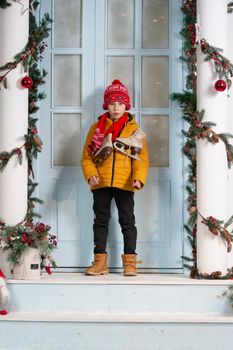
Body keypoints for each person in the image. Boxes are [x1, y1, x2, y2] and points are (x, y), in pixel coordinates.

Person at [82, 79, 149, 276]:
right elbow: (87, 156)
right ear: (106, 105)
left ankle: (130, 263)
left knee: (127, 221)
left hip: (125, 182)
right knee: (100, 221)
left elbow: (141, 159)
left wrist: (138, 178)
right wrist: (92, 174)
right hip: (101, 181)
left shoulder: (133, 130)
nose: (116, 107)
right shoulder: (97, 128)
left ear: (126, 105)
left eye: (120, 103)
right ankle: (99, 262)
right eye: (112, 103)